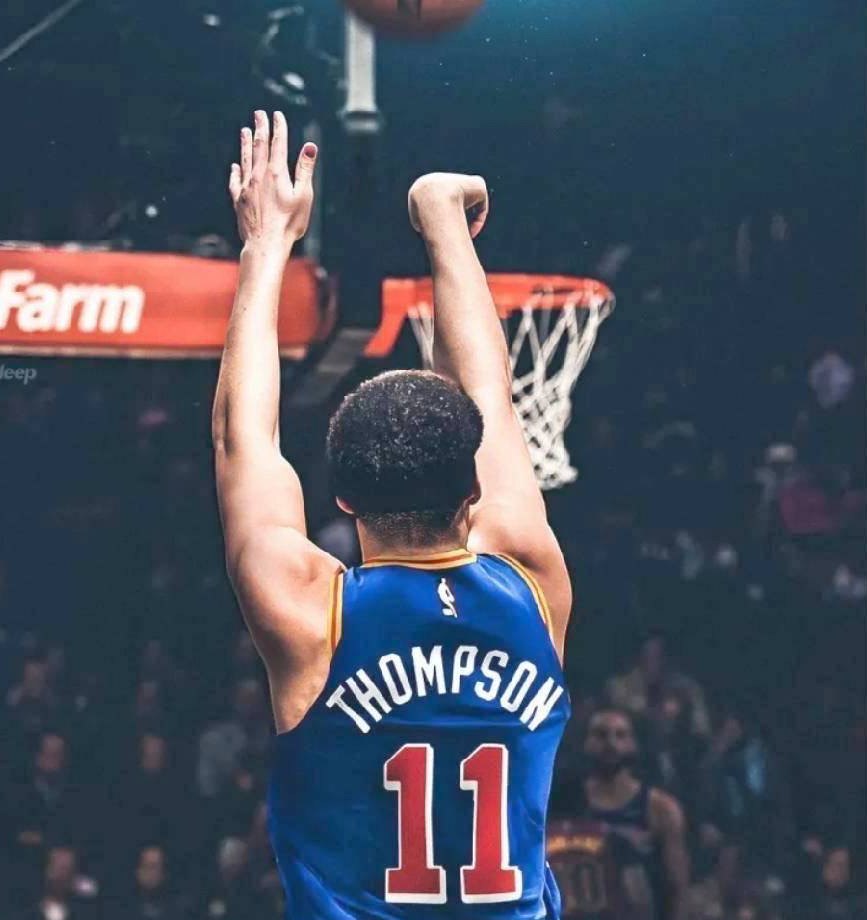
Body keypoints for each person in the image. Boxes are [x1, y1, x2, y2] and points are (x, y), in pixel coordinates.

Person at [212, 110, 573, 918]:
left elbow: (243, 438)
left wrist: (266, 243)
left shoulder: (310, 614)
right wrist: (444, 220)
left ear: (342, 500)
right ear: (472, 489)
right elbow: (492, 401)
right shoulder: (530, 579)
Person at [550, 709, 690, 920]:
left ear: (634, 744)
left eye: (620, 735)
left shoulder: (660, 809)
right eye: (601, 734)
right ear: (586, 742)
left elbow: (677, 889)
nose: (611, 743)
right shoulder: (563, 802)